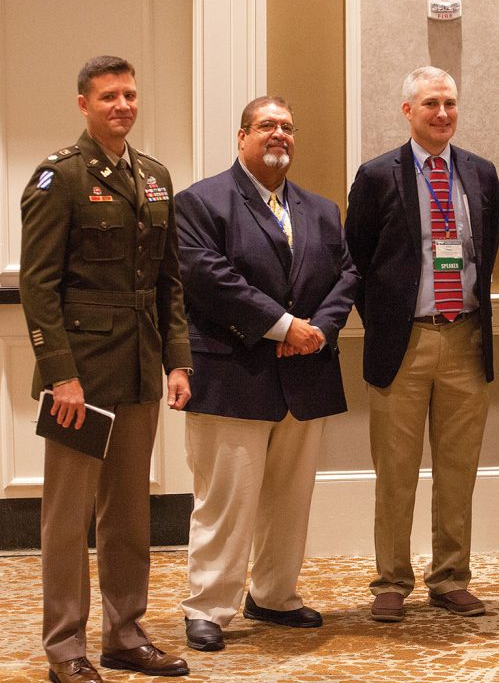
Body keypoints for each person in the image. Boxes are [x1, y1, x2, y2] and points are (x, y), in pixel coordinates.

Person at [20, 55, 192, 683]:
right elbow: (39, 287)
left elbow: (169, 280)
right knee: (68, 518)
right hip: (81, 379)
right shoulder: (59, 177)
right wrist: (60, 372)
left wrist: (178, 361)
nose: (123, 105)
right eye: (109, 96)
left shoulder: (154, 177)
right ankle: (66, 647)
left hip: (143, 368)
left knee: (130, 514)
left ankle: (125, 634)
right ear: (83, 104)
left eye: (130, 94)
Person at [175, 96, 358, 650]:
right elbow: (210, 278)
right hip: (233, 376)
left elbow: (347, 275)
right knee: (225, 500)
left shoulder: (322, 209)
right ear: (241, 136)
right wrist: (283, 326)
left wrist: (318, 330)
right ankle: (208, 606)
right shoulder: (201, 202)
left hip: (306, 373)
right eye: (266, 127)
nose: (278, 135)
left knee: (290, 498)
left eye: (286, 127)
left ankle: (275, 595)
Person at [344, 66, 499, 622]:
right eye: (431, 104)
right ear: (408, 111)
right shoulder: (376, 176)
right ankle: (390, 580)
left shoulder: (481, 174)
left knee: (459, 469)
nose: (443, 114)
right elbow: (355, 260)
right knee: (396, 469)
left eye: (450, 103)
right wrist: (386, 322)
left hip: (465, 338)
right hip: (403, 343)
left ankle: (451, 576)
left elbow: (484, 253)